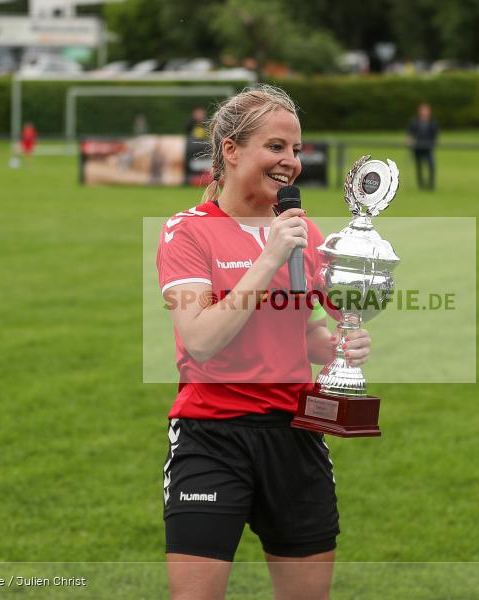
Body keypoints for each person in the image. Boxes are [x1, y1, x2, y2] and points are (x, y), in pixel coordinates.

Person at [156, 85, 372, 600]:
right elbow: (201, 338)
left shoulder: (305, 233)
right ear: (230, 150)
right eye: (276, 147)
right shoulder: (187, 232)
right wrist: (269, 257)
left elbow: (305, 331)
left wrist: (341, 346)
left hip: (295, 433)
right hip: (212, 436)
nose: (291, 162)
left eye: (296, 150)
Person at [406, 102, 438, 190]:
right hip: (418, 148)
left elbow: (435, 135)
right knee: (419, 167)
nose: (424, 112)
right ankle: (421, 185)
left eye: (426, 110)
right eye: (423, 110)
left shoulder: (432, 122)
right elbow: (410, 133)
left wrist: (433, 144)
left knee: (431, 166)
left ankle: (431, 185)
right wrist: (409, 140)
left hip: (428, 149)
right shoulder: (415, 121)